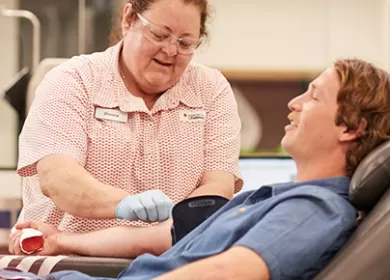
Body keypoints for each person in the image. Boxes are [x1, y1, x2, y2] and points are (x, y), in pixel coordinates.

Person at [6, 58, 390, 280]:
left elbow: (227, 272)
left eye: (313, 95)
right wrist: (62, 242)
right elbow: (162, 238)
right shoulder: (275, 197)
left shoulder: (314, 209)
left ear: (350, 127)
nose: (294, 102)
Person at [12, 0, 242, 257]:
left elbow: (217, 191)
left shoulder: (210, 89)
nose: (170, 50)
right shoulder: (73, 81)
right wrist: (123, 204)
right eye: (159, 35)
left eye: (186, 43)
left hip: (169, 265)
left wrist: (152, 238)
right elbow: (59, 179)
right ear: (129, 18)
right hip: (67, 264)